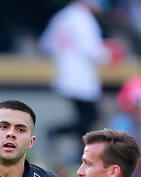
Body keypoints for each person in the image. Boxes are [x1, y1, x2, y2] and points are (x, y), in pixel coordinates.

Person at [39, 0, 110, 149]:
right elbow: (93, 51)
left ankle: (76, 149)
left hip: (64, 75)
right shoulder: (84, 19)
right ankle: (56, 132)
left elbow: (45, 44)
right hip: (81, 78)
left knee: (86, 119)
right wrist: (111, 54)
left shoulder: (62, 16)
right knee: (90, 118)